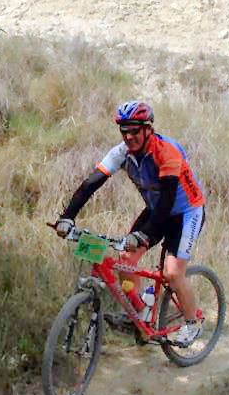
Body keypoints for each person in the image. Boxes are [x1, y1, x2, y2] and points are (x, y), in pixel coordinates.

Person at [56, 101, 206, 347]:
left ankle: (193, 323)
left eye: (134, 130)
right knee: (125, 259)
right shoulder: (121, 153)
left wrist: (144, 234)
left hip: (186, 212)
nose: (128, 136)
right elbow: (91, 184)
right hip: (157, 210)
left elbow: (168, 200)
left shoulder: (166, 151)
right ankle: (139, 312)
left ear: (148, 129)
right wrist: (67, 217)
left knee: (172, 273)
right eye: (124, 131)